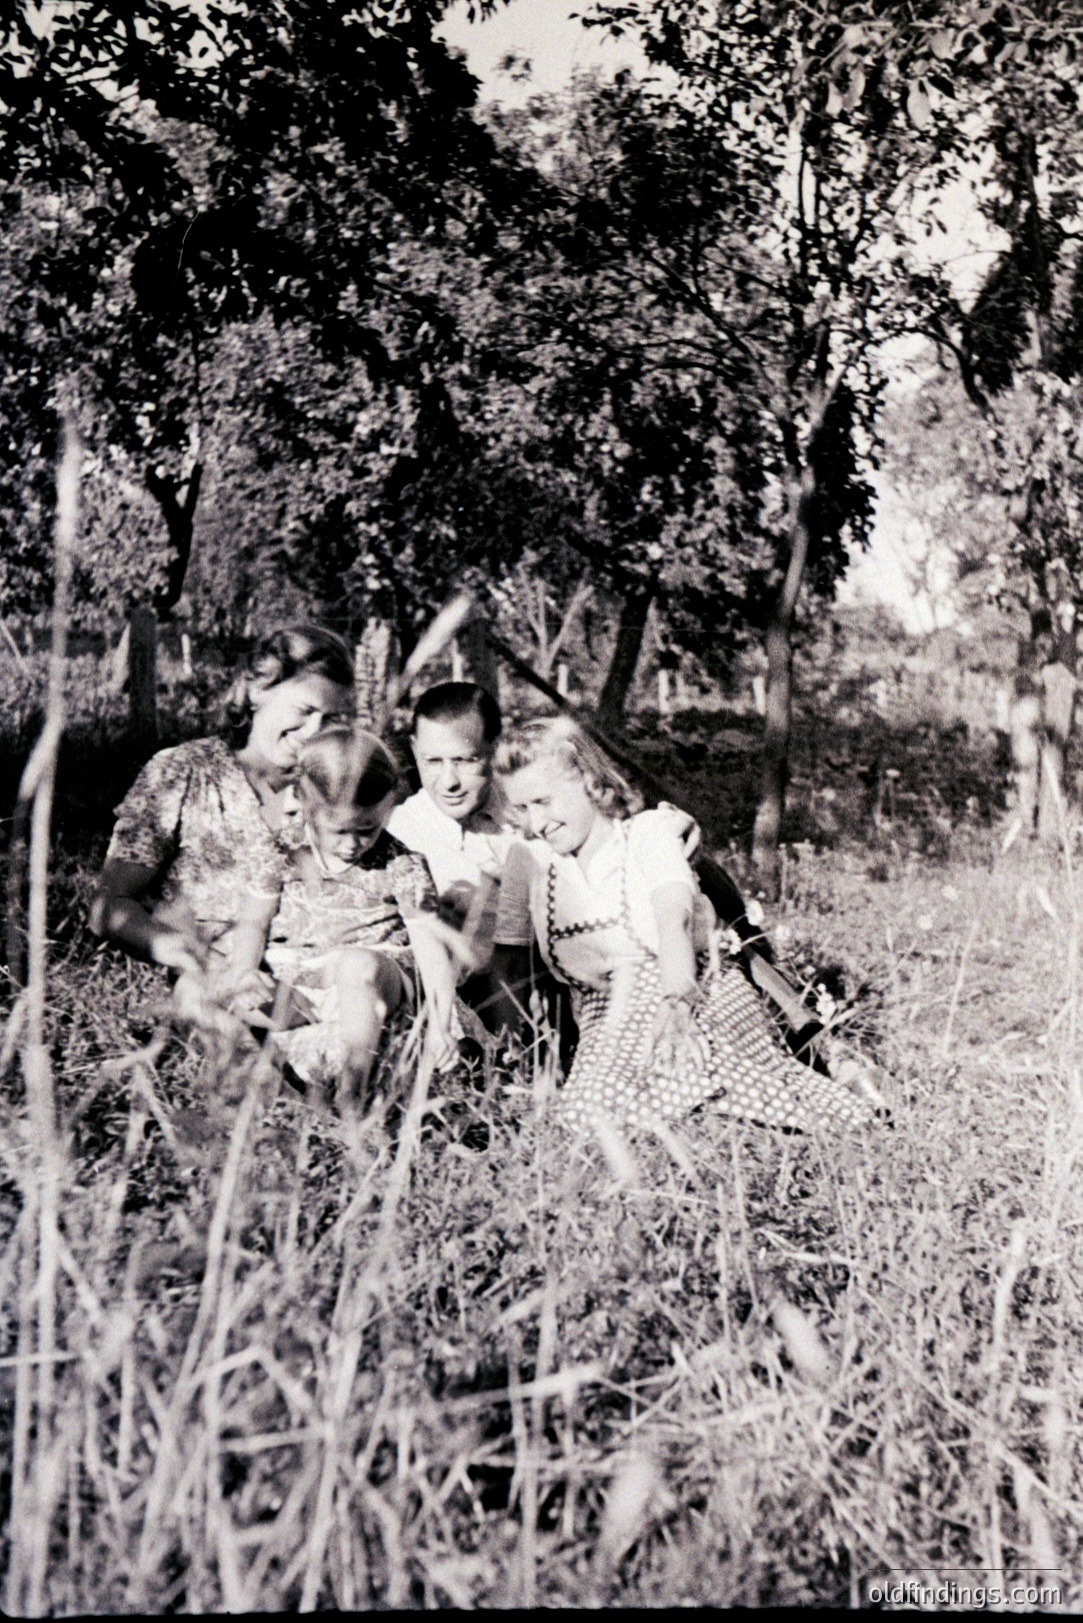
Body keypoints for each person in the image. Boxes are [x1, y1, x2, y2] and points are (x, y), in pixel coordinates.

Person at [494, 715, 877, 1135]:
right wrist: (514, 1067)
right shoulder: (528, 862)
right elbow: (511, 965)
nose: (535, 822)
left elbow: (671, 919)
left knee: (695, 1070)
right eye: (523, 807)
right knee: (591, 1111)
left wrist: (677, 1006)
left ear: (587, 779)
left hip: (694, 988)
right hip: (606, 1024)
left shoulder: (648, 834)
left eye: (544, 802)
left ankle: (793, 1118)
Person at [90, 624, 355, 1035]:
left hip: (325, 981)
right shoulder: (182, 773)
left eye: (333, 718)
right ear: (257, 691)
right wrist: (198, 961)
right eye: (305, 711)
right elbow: (109, 906)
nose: (315, 733)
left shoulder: (340, 787)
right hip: (216, 983)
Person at [242, 727, 460, 1108]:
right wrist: (245, 971)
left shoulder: (401, 864)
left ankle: (352, 1091)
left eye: (367, 829)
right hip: (300, 985)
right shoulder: (278, 851)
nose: (352, 844)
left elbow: (429, 947)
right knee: (228, 994)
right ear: (305, 805)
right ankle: (283, 1083)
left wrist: (443, 1023)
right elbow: (253, 923)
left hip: (375, 978)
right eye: (338, 831)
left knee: (355, 966)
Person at [387, 682, 534, 1028]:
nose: (448, 781)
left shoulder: (529, 815)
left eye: (465, 760)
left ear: (495, 750)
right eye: (433, 761)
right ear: (414, 749)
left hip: (526, 987)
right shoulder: (399, 830)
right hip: (437, 1003)